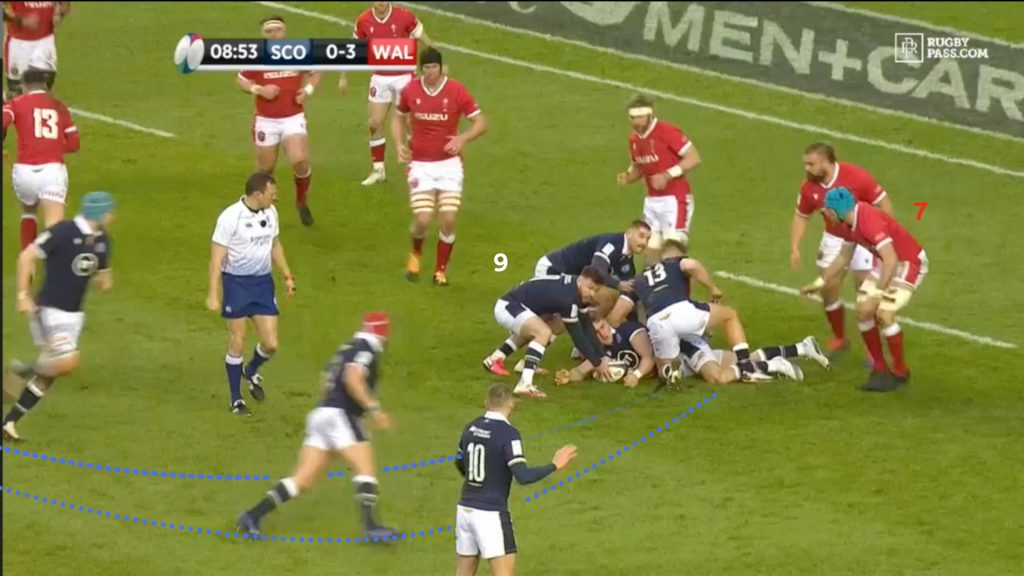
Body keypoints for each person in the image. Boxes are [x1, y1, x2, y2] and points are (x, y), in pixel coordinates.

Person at [237, 313, 399, 540]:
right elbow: (353, 378)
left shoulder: (347, 348)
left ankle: (252, 515)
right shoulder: (366, 349)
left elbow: (326, 381)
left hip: (322, 414)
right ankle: (371, 527)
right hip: (340, 416)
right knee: (366, 468)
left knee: (302, 480)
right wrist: (374, 409)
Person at [3, 191, 114, 442]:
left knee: (48, 376)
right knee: (67, 361)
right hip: (49, 310)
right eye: (108, 211)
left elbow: (103, 275)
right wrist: (22, 295)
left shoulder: (102, 240)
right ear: (98, 213)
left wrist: (103, 280)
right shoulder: (63, 232)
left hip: (74, 316)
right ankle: (23, 369)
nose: (111, 216)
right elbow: (26, 256)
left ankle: (8, 423)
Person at [616, 240, 801, 383]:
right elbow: (692, 266)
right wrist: (713, 288)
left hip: (659, 325)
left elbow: (616, 315)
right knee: (729, 315)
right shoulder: (675, 263)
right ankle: (748, 366)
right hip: (681, 317)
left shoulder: (638, 280)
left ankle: (790, 353)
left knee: (667, 375)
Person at [802, 188, 928, 392]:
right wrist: (820, 282)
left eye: (827, 210)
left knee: (884, 315)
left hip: (907, 263)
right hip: (885, 262)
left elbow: (891, 259)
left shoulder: (869, 221)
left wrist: (878, 292)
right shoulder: (846, 223)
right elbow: (843, 257)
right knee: (863, 311)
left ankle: (900, 371)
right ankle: (880, 370)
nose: (825, 214)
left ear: (836, 210)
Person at [454, 383, 577, 576]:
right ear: (512, 405)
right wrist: (554, 465)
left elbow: (460, 461)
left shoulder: (471, 427)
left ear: (486, 403)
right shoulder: (508, 434)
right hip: (491, 513)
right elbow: (523, 476)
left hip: (465, 510)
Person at [392, 47, 487, 286]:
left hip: (449, 166)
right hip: (420, 165)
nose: (431, 72)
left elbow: (480, 121)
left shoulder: (456, 90)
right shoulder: (411, 90)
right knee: (423, 220)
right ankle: (416, 252)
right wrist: (399, 144)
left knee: (448, 219)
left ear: (441, 68)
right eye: (427, 68)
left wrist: (462, 139)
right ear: (421, 69)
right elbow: (398, 117)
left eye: (434, 67)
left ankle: (440, 271)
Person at [790, 142, 893, 354]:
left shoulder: (857, 177)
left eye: (811, 164)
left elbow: (883, 203)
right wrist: (795, 247)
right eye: (805, 164)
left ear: (826, 163)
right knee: (828, 288)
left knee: (866, 292)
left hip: (863, 234)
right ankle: (839, 337)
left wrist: (881, 236)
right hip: (835, 238)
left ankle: (873, 349)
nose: (806, 168)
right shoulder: (808, 187)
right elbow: (802, 216)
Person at [207, 173, 295, 415]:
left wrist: (287, 275)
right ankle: (236, 400)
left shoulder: (271, 213)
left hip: (263, 284)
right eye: (271, 194)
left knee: (271, 344)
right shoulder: (230, 218)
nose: (275, 197)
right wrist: (213, 293)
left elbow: (275, 245)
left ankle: (251, 370)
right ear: (257, 194)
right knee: (238, 341)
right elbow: (216, 259)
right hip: (236, 283)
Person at [235, 16, 320, 226]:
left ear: (285, 32)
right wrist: (259, 89)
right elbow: (241, 80)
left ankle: (301, 201)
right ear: (263, 35)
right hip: (266, 120)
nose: (274, 35)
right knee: (265, 170)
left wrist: (307, 91)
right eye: (269, 31)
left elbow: (315, 72)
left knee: (299, 160)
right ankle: (262, 208)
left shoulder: (297, 52)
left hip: (293, 116)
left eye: (277, 30)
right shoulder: (257, 55)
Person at [341, 2, 432, 186]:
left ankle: (420, 168)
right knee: (375, 123)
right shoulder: (363, 20)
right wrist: (343, 76)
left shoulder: (405, 16)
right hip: (380, 78)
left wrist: (434, 66)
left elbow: (426, 40)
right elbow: (351, 50)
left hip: (405, 77)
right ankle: (378, 170)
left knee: (411, 124)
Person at [482, 269, 612, 396]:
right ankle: (524, 384)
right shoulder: (567, 298)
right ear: (580, 280)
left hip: (521, 306)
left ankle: (497, 359)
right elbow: (578, 336)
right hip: (509, 306)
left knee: (557, 324)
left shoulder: (576, 291)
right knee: (542, 332)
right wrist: (597, 363)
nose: (592, 294)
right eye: (590, 288)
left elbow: (587, 327)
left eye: (596, 290)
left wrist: (601, 356)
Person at [3, 64, 79, 250]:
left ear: (23, 85)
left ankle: (27, 260)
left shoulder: (16, 103)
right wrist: (51, 147)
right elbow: (74, 144)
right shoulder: (59, 106)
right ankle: (54, 263)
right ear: (44, 85)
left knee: (28, 210)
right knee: (55, 226)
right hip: (52, 172)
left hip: (24, 172)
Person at [616, 93, 701, 260]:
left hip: (675, 200)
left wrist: (668, 175)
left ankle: (685, 278)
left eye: (640, 117)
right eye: (633, 118)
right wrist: (627, 177)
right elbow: (639, 167)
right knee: (651, 255)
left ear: (649, 114)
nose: (636, 122)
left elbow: (693, 157)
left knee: (674, 254)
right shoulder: (634, 139)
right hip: (652, 202)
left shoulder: (667, 132)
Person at [534, 220, 651, 317]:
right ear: (629, 233)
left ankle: (592, 331)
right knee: (552, 315)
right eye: (641, 236)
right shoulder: (612, 243)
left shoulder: (626, 259)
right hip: (553, 269)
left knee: (580, 308)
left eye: (647, 239)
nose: (644, 242)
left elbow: (630, 292)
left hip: (573, 279)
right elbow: (597, 270)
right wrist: (618, 284)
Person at [554, 318, 655, 388]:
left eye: (602, 327)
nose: (603, 334)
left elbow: (649, 357)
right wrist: (567, 376)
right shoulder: (599, 351)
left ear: (607, 323)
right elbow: (581, 371)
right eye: (596, 332)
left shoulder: (629, 331)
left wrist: (636, 375)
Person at [3, 1, 70, 97]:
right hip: (18, 44)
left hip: (45, 42)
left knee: (43, 91)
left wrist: (60, 13)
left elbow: (64, 5)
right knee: (16, 92)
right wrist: (20, 21)